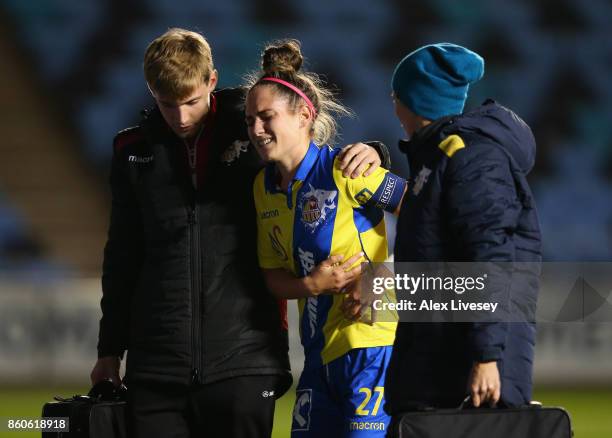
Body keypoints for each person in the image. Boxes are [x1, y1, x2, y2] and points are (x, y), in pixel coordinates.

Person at [89, 28, 389, 438]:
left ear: (212, 81)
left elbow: (314, 152)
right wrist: (109, 350)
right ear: (149, 90)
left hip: (247, 358)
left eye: (191, 101)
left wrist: (375, 153)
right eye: (165, 104)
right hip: (156, 362)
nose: (179, 117)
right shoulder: (132, 151)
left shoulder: (249, 125)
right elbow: (122, 255)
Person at [246, 39, 407, 438]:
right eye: (249, 120)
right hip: (318, 358)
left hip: (370, 345)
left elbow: (428, 214)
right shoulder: (262, 188)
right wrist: (308, 285)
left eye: (267, 117)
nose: (256, 129)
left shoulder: (347, 169)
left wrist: (383, 274)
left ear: (304, 115)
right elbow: (271, 275)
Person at [384, 42, 542, 431]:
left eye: (397, 94)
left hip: (464, 372)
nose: (393, 103)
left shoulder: (470, 158)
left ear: (413, 99)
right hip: (437, 362)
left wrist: (486, 358)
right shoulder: (438, 160)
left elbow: (490, 256)